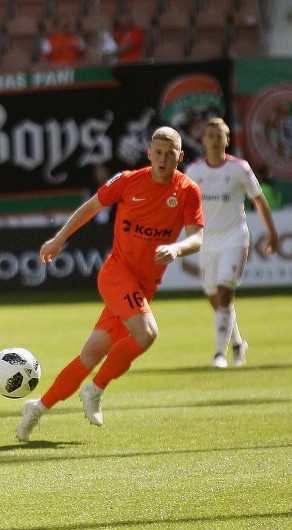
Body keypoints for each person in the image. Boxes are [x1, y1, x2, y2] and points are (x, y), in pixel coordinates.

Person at [16, 126, 204, 441]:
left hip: (143, 288)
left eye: (169, 154)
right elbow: (91, 207)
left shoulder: (187, 191)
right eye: (157, 152)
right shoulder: (128, 180)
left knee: (90, 355)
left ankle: (37, 407)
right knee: (147, 333)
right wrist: (59, 238)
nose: (162, 159)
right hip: (116, 274)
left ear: (180, 157)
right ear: (149, 154)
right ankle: (96, 388)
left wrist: (176, 248)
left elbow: (197, 238)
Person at [184, 117, 278, 368]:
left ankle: (218, 354)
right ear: (203, 140)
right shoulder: (193, 172)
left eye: (220, 136)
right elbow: (184, 206)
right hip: (207, 241)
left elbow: (258, 200)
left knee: (225, 294)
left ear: (227, 140)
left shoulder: (240, 169)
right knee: (216, 300)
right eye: (210, 135)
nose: (215, 140)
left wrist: (272, 233)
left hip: (234, 238)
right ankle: (238, 343)